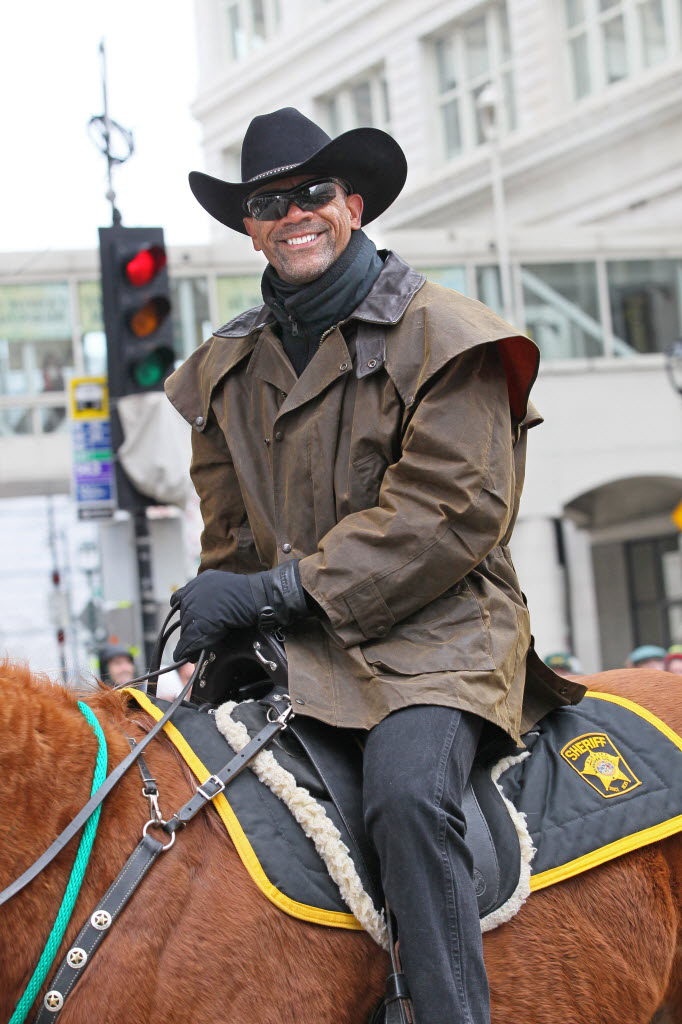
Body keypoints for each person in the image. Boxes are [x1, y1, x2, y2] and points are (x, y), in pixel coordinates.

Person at [165, 107, 585, 1024]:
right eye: (271, 202)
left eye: (314, 193)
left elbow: (450, 514)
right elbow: (232, 534)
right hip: (298, 649)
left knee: (404, 799)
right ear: (250, 226)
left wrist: (274, 591)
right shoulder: (222, 369)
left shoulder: (450, 334)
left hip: (441, 639)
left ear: (351, 204)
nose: (295, 213)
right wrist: (215, 621)